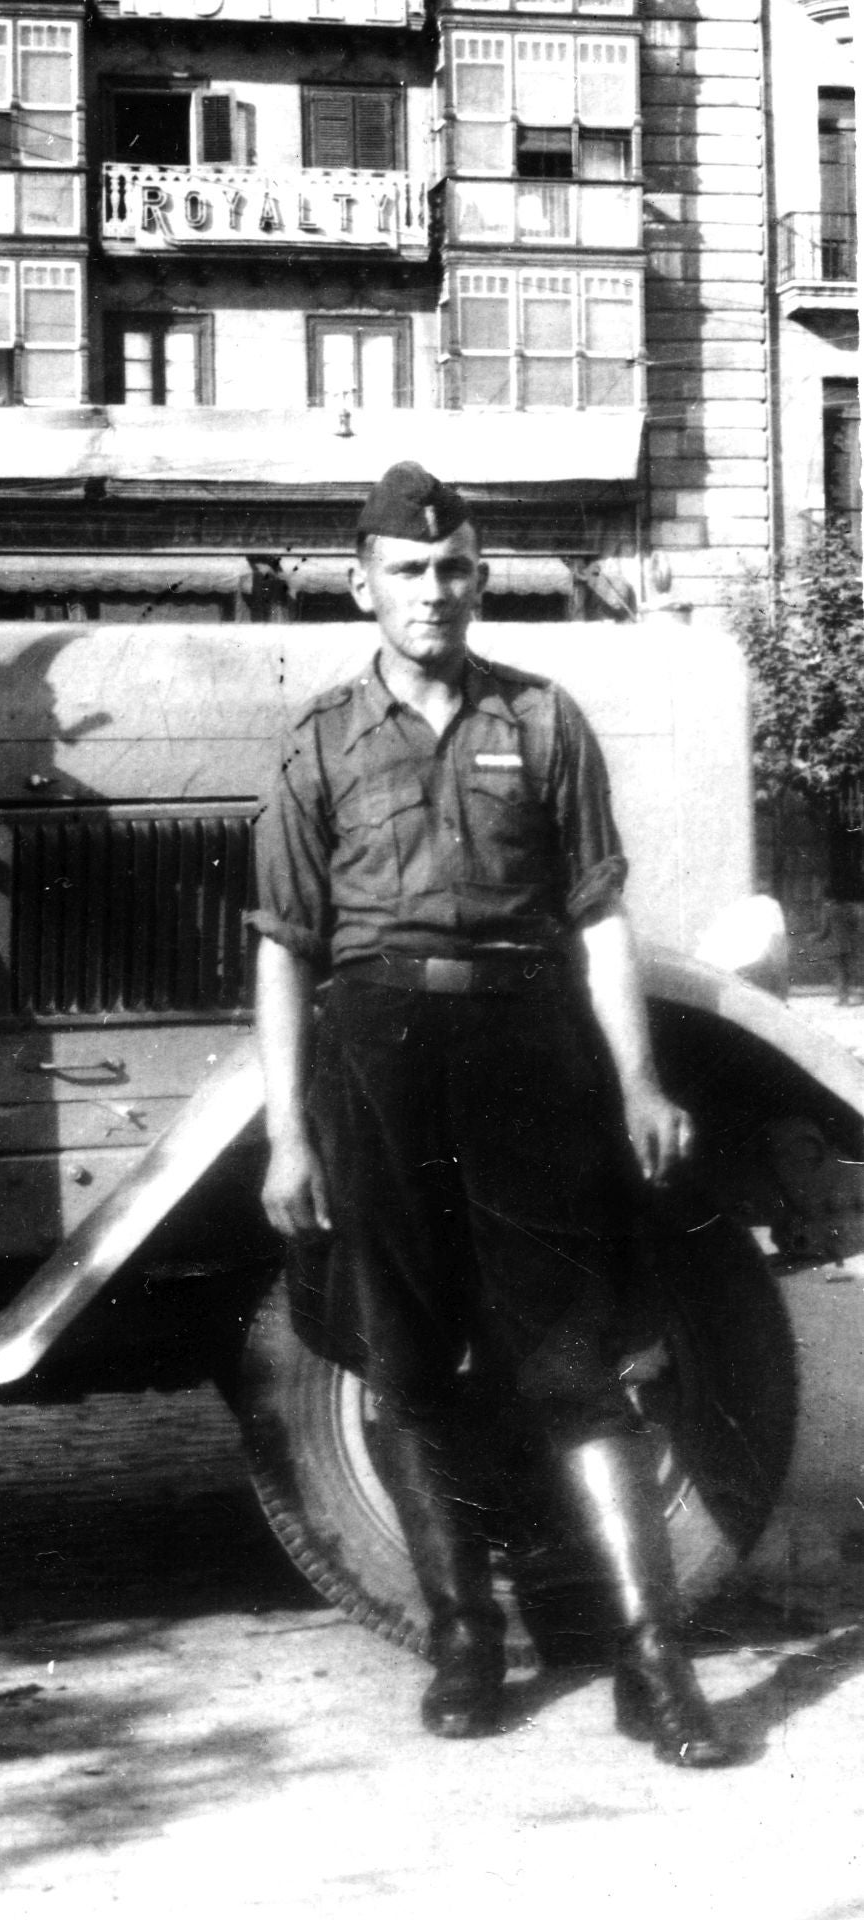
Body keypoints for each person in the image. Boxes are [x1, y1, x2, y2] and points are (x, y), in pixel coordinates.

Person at [251, 462, 736, 1767]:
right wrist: (293, 1132)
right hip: (376, 1055)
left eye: (455, 568)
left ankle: (650, 1660)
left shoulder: (543, 718)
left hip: (528, 1049)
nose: (433, 591)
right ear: (362, 587)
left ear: (480, 579)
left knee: (578, 1362)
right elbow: (288, 947)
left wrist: (635, 1078)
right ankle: (465, 1635)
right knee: (408, 1363)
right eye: (407, 572)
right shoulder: (317, 743)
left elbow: (595, 915)